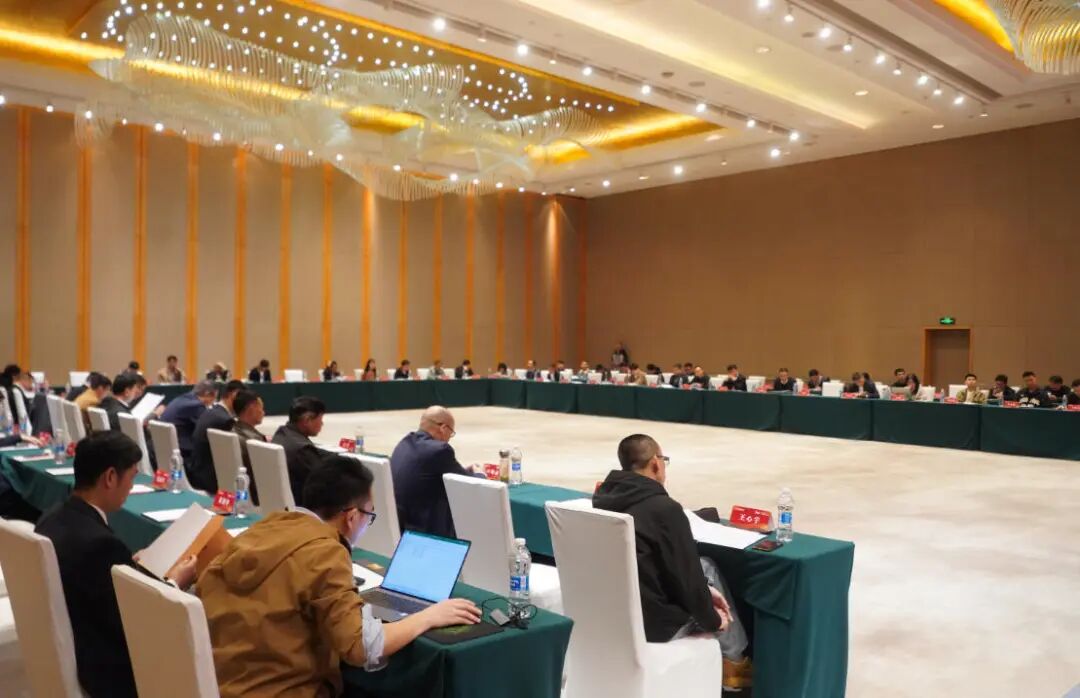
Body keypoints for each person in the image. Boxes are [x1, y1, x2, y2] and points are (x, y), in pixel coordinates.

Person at [197, 457, 480, 698]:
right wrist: (429, 616)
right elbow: (361, 648)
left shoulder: (264, 528)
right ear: (352, 516)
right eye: (369, 516)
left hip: (222, 685)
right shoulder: (326, 552)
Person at [35, 432, 197, 698]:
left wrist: (127, 566)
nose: (131, 487)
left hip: (74, 639)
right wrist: (174, 583)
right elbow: (137, 621)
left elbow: (95, 581)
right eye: (132, 477)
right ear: (110, 477)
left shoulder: (51, 517)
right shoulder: (100, 545)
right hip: (109, 670)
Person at [593, 435, 752, 691]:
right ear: (656, 463)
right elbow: (686, 580)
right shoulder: (664, 509)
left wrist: (704, 590)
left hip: (611, 612)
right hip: (655, 624)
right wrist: (714, 620)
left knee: (704, 567)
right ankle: (734, 663)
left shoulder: (602, 500)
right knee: (704, 573)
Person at [390, 406, 476, 538]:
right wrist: (480, 474)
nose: (449, 438)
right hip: (425, 530)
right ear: (443, 428)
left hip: (400, 525)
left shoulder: (404, 443)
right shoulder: (440, 450)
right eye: (451, 433)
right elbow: (465, 482)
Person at [272, 396, 334, 505]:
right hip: (303, 505)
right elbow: (324, 482)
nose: (322, 424)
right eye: (320, 419)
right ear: (307, 420)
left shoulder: (282, 434)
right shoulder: (302, 450)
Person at [187, 380, 244, 492]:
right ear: (234, 395)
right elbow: (234, 456)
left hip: (196, 472)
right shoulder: (225, 420)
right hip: (211, 480)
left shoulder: (210, 412)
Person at [159, 380, 218, 459]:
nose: (214, 401)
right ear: (207, 394)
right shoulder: (196, 405)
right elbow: (207, 427)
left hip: (166, 448)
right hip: (183, 451)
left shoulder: (182, 398)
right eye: (214, 397)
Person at [231, 389, 266, 505]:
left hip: (234, 494)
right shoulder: (254, 442)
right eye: (261, 408)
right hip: (256, 498)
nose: (263, 412)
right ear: (251, 408)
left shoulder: (232, 431)